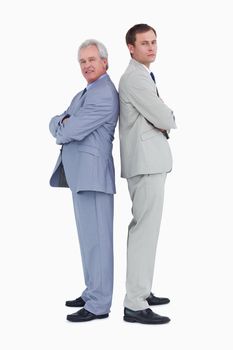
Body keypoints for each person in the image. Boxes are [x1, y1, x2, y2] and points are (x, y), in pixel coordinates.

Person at [49, 39, 119, 322]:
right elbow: (57, 122)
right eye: (82, 61)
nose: (87, 65)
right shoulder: (84, 93)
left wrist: (63, 123)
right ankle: (93, 292)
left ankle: (99, 304)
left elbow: (67, 130)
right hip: (81, 177)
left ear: (105, 62)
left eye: (92, 59)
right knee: (89, 240)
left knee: (98, 242)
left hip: (93, 177)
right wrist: (61, 122)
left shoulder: (103, 93)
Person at [119, 24, 177, 324]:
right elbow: (164, 115)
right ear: (131, 47)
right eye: (144, 43)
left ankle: (141, 290)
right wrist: (167, 118)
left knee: (145, 231)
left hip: (148, 162)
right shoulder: (134, 79)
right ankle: (135, 303)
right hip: (146, 163)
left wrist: (161, 119)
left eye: (154, 41)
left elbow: (158, 117)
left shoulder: (141, 75)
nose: (151, 47)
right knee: (144, 231)